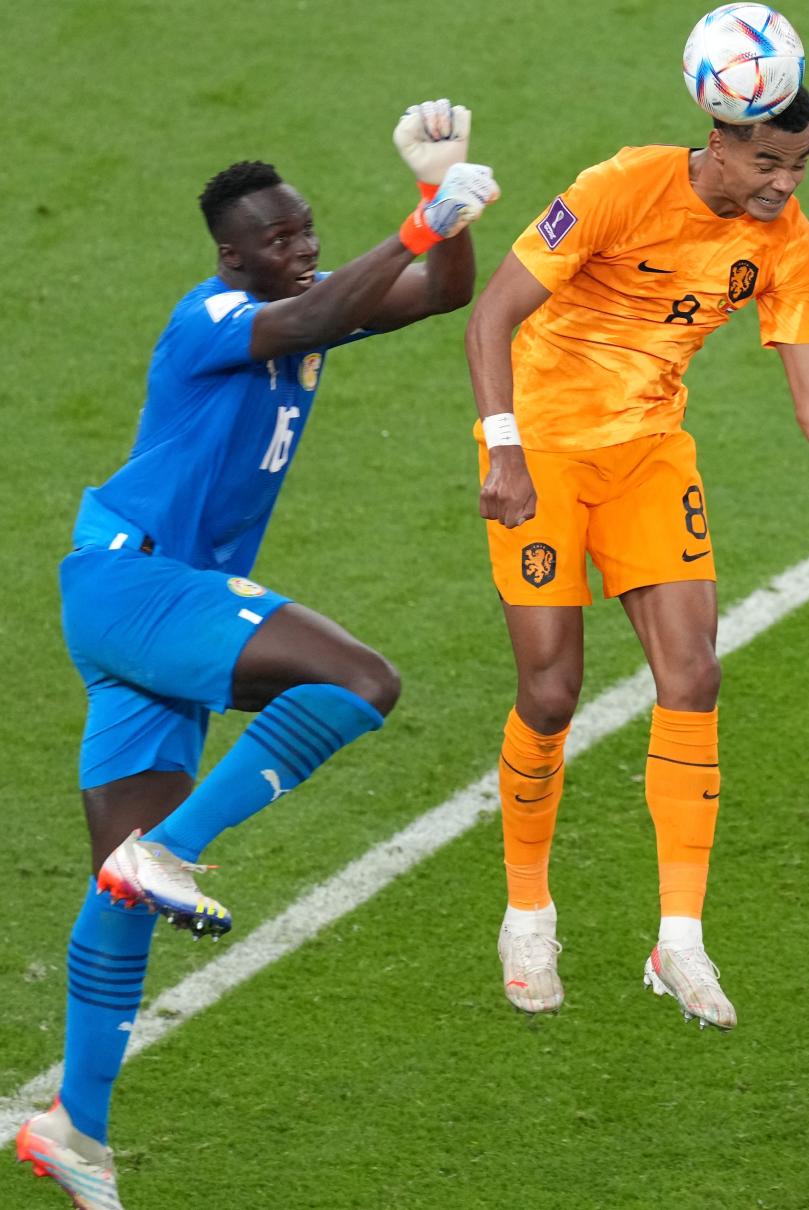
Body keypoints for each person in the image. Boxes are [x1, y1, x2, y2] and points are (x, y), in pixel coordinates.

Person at [16, 100, 498, 1210]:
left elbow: (442, 294)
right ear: (235, 254)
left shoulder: (306, 306)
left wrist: (451, 203)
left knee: (118, 892)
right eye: (281, 238)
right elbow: (336, 298)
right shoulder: (216, 313)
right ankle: (174, 847)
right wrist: (421, 220)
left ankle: (75, 1130)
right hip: (137, 583)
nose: (304, 247)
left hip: (149, 610)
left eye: (309, 227)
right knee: (364, 680)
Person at [465, 85, 809, 1031]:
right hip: (544, 453)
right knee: (551, 693)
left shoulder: (786, 240)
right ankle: (528, 913)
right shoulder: (622, 186)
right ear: (719, 143)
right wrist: (505, 447)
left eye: (800, 165)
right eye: (769, 163)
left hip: (648, 454)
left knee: (693, 675)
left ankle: (677, 942)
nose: (784, 184)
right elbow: (491, 318)